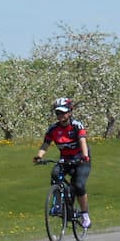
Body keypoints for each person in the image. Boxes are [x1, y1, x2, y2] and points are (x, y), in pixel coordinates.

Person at [34, 97, 91, 228]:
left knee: (79, 185)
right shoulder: (53, 129)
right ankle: (58, 204)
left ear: (70, 112)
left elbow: (82, 140)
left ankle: (85, 215)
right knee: (55, 174)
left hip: (80, 159)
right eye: (58, 113)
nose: (60, 116)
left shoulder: (76, 126)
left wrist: (84, 156)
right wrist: (39, 156)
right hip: (65, 159)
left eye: (63, 113)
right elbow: (46, 144)